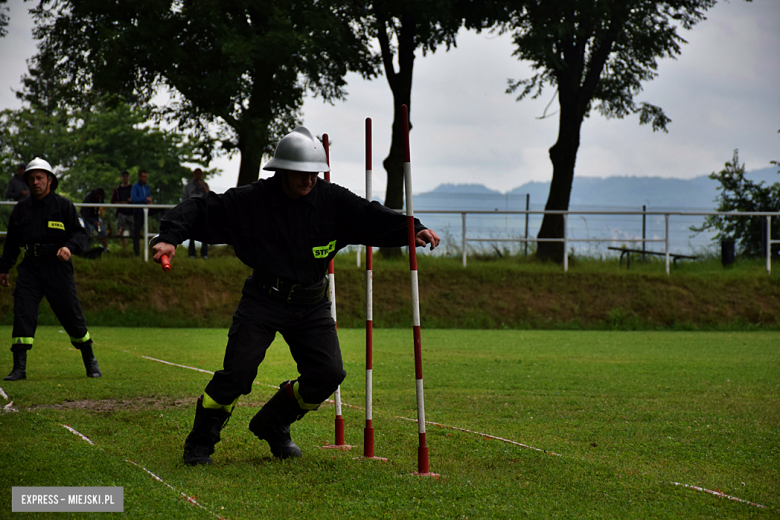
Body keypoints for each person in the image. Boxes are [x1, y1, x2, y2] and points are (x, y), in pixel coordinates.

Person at [153, 126, 440, 466]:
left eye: (314, 174)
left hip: (312, 305)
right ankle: (201, 442)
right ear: (283, 171)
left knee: (328, 375)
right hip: (263, 299)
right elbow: (202, 208)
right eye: (302, 174)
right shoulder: (252, 201)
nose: (309, 181)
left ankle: (273, 423)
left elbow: (370, 215)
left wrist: (412, 227)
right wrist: (170, 236)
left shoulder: (332, 201)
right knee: (238, 375)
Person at [0, 157, 101, 381]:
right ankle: (19, 368)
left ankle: (90, 361)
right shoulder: (21, 210)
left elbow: (80, 233)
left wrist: (69, 247)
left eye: (40, 178)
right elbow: (12, 242)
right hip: (30, 268)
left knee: (71, 315)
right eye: (31, 178)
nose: (35, 182)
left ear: (50, 180)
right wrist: (4, 268)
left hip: (58, 267)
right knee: (23, 313)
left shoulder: (64, 206)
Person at [182, 168, 209, 259]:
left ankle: (204, 253)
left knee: (205, 231)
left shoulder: (205, 185)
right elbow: (184, 198)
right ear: (194, 174)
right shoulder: (188, 186)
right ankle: (192, 253)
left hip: (202, 210)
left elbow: (209, 195)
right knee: (192, 231)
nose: (198, 176)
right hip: (192, 210)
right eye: (196, 174)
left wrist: (203, 186)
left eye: (200, 174)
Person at [131, 169, 153, 256]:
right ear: (139, 177)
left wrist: (149, 201)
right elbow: (134, 199)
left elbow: (149, 197)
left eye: (146, 177)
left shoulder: (147, 187)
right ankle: (136, 252)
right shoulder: (135, 187)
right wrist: (145, 199)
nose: (145, 179)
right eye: (143, 177)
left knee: (147, 230)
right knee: (137, 232)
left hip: (146, 211)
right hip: (138, 212)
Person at [111, 171, 134, 249]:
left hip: (132, 213)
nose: (125, 178)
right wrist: (122, 203)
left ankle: (137, 250)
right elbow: (113, 202)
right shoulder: (118, 189)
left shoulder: (133, 188)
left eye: (126, 176)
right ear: (121, 178)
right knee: (121, 233)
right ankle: (124, 249)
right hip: (121, 213)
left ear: (129, 177)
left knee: (135, 232)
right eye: (123, 176)